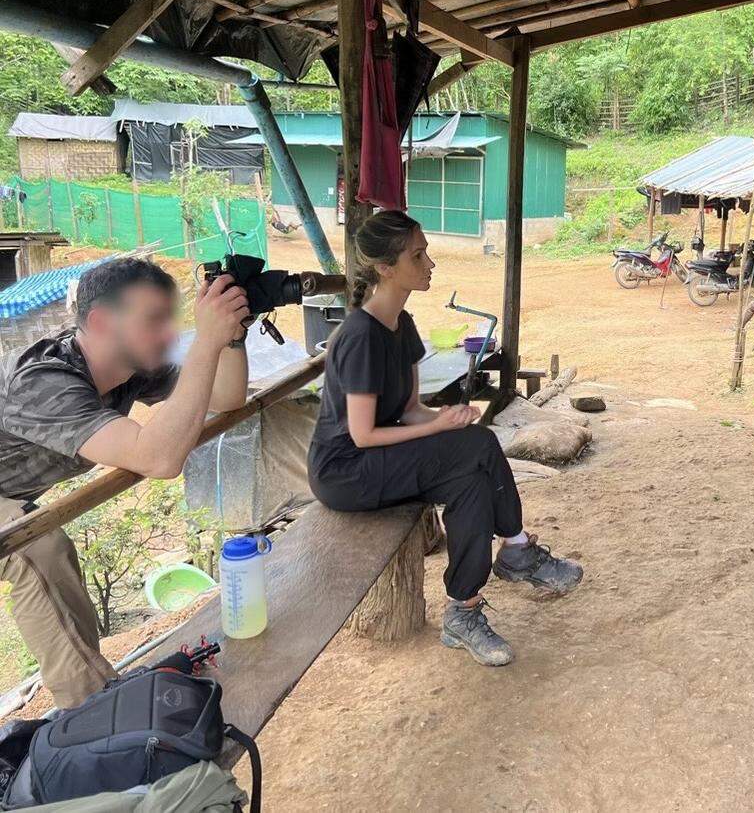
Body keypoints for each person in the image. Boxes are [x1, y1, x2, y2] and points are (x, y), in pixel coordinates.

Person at [307, 211, 583, 667]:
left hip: (383, 455)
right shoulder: (360, 336)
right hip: (346, 470)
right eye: (417, 255)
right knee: (475, 445)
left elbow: (412, 410)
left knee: (469, 481)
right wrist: (441, 427)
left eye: (426, 251)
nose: (429, 262)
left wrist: (442, 416)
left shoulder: (404, 325)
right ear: (385, 268)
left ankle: (464, 610)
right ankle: (516, 550)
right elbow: (360, 433)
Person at [0, 258, 250, 708]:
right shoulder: (41, 381)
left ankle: (93, 702)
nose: (169, 334)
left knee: (48, 550)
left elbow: (226, 397)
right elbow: (158, 457)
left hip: (13, 490)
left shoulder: (128, 365)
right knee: (39, 548)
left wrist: (230, 337)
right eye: (153, 320)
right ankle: (94, 710)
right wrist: (205, 342)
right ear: (100, 322)